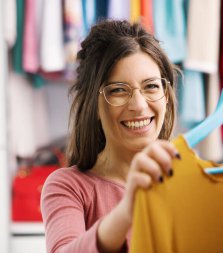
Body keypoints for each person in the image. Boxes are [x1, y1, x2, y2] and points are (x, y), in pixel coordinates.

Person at [41, 19, 181, 253]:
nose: (138, 105)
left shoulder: (188, 182)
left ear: (166, 95)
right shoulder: (68, 187)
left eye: (151, 86)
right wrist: (127, 210)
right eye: (118, 90)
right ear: (93, 105)